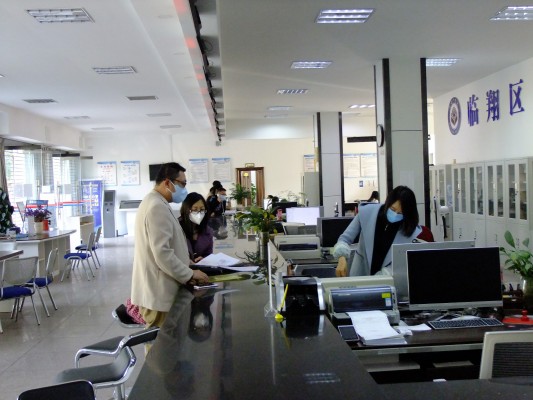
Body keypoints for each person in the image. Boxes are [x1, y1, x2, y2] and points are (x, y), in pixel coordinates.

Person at [131, 162, 209, 328]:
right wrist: (189, 274)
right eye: (182, 184)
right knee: (164, 342)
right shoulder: (156, 207)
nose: (184, 189)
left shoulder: (156, 202)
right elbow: (162, 253)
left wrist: (186, 262)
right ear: (167, 182)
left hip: (159, 290)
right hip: (158, 294)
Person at [333, 185, 422, 277]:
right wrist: (342, 258)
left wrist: (378, 279)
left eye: (400, 213)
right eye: (392, 209)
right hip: (359, 274)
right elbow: (344, 239)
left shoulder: (409, 230)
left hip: (385, 280)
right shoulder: (367, 212)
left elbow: (398, 263)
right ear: (388, 203)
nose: (395, 214)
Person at [179, 192, 214, 263]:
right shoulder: (177, 227)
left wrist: (204, 259)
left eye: (202, 209)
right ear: (186, 210)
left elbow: (208, 254)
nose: (199, 213)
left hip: (199, 267)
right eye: (195, 209)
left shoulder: (207, 231)